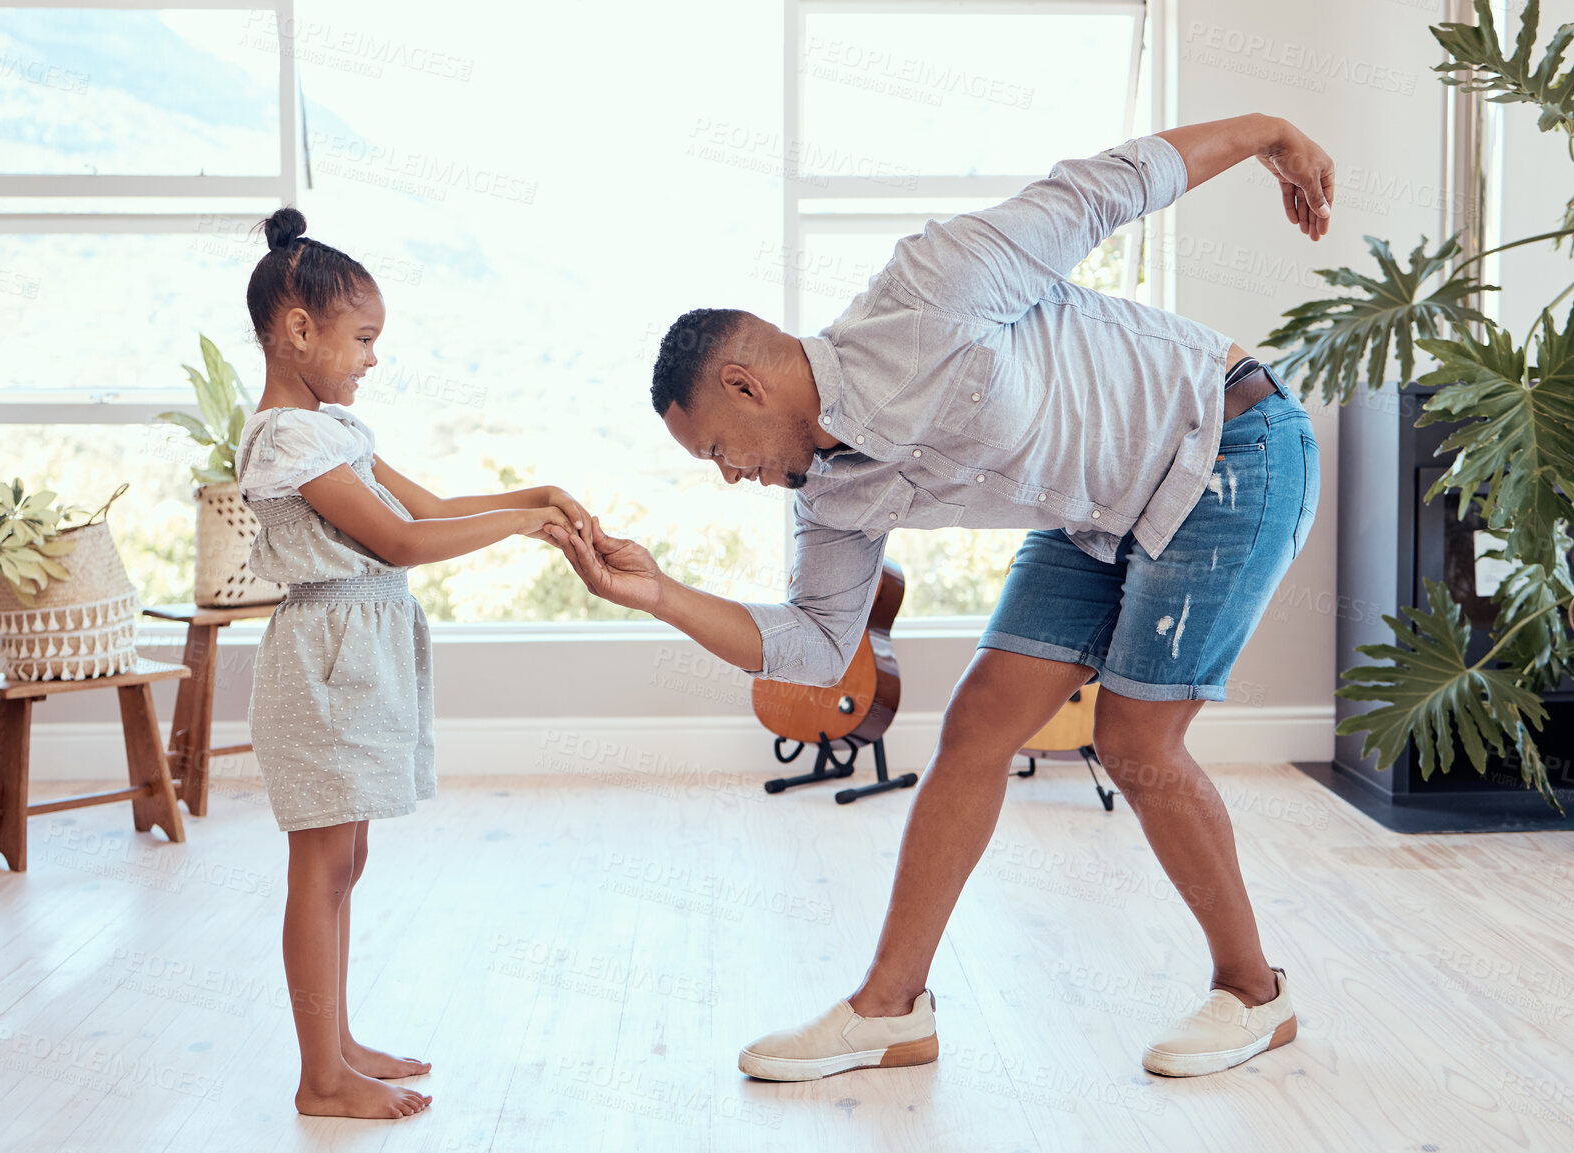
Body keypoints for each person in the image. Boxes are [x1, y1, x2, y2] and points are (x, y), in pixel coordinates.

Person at [550, 113, 1331, 1080]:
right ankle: (890, 1011)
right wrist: (661, 593)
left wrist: (1267, 134)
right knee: (975, 727)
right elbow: (808, 644)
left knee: (1134, 738)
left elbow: (1108, 187)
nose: (729, 474)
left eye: (717, 449)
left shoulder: (930, 288)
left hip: (1226, 444)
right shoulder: (827, 496)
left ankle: (1254, 993)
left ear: (746, 385)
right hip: (1091, 510)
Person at [236, 208, 590, 1118]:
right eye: (363, 338)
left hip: (359, 654)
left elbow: (424, 501)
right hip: (322, 662)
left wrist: (534, 491)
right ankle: (320, 1078)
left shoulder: (332, 427)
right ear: (298, 330)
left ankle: (338, 1040)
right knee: (318, 866)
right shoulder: (288, 438)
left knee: (345, 858)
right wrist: (524, 524)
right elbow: (397, 539)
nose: (372, 358)